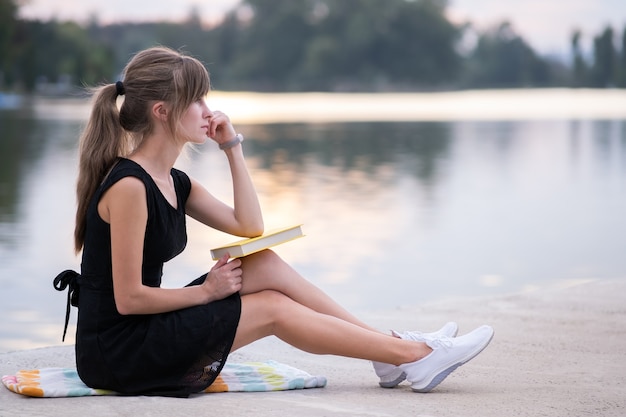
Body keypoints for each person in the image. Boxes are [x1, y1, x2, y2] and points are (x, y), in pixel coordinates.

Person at [53, 46, 494, 398]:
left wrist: (233, 148)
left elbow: (249, 226)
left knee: (261, 263)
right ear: (162, 111)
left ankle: (389, 350)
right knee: (271, 309)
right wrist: (207, 291)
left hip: (145, 331)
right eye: (197, 100)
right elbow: (129, 299)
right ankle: (413, 354)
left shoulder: (173, 181)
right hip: (119, 352)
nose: (208, 110)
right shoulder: (129, 186)